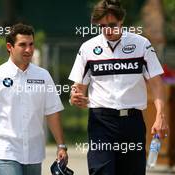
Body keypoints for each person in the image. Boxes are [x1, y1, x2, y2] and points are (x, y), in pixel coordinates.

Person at [68, 0, 168, 175]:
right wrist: (74, 97)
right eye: (102, 26)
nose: (108, 30)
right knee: (101, 172)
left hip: (133, 122)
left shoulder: (141, 44)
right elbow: (78, 90)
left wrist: (160, 116)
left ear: (121, 21)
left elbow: (157, 84)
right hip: (101, 122)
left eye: (112, 25)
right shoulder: (88, 48)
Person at [0, 23, 68, 175]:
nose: (28, 49)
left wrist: (61, 146)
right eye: (22, 45)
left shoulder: (43, 76)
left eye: (31, 44)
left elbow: (52, 112)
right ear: (9, 47)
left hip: (34, 153)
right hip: (6, 151)